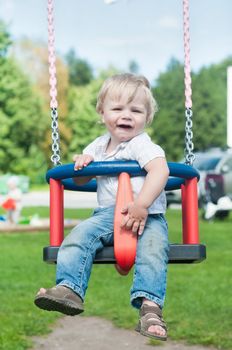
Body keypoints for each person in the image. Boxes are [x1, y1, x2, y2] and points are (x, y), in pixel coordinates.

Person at [34, 73, 170, 341]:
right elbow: (82, 178)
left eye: (136, 110)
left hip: (148, 216)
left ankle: (150, 308)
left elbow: (160, 170)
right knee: (78, 237)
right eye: (118, 108)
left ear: (147, 116)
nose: (127, 115)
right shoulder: (96, 146)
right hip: (109, 215)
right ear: (102, 112)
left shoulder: (141, 144)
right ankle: (69, 288)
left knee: (153, 251)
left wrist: (141, 205)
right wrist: (83, 163)